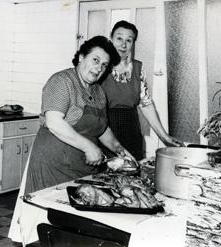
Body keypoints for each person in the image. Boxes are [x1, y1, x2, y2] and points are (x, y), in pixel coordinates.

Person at [23, 35, 136, 194]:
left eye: (104, 65)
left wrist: (120, 150)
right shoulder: (62, 81)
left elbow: (101, 128)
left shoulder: (98, 92)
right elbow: (54, 122)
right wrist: (89, 147)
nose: (99, 68)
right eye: (95, 60)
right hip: (53, 167)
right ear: (81, 57)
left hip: (81, 167)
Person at [100, 20, 183, 161]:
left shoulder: (138, 68)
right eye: (119, 38)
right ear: (111, 39)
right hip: (104, 134)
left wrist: (165, 137)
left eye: (129, 40)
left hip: (132, 134)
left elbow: (146, 104)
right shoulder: (100, 67)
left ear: (133, 43)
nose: (123, 44)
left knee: (133, 176)